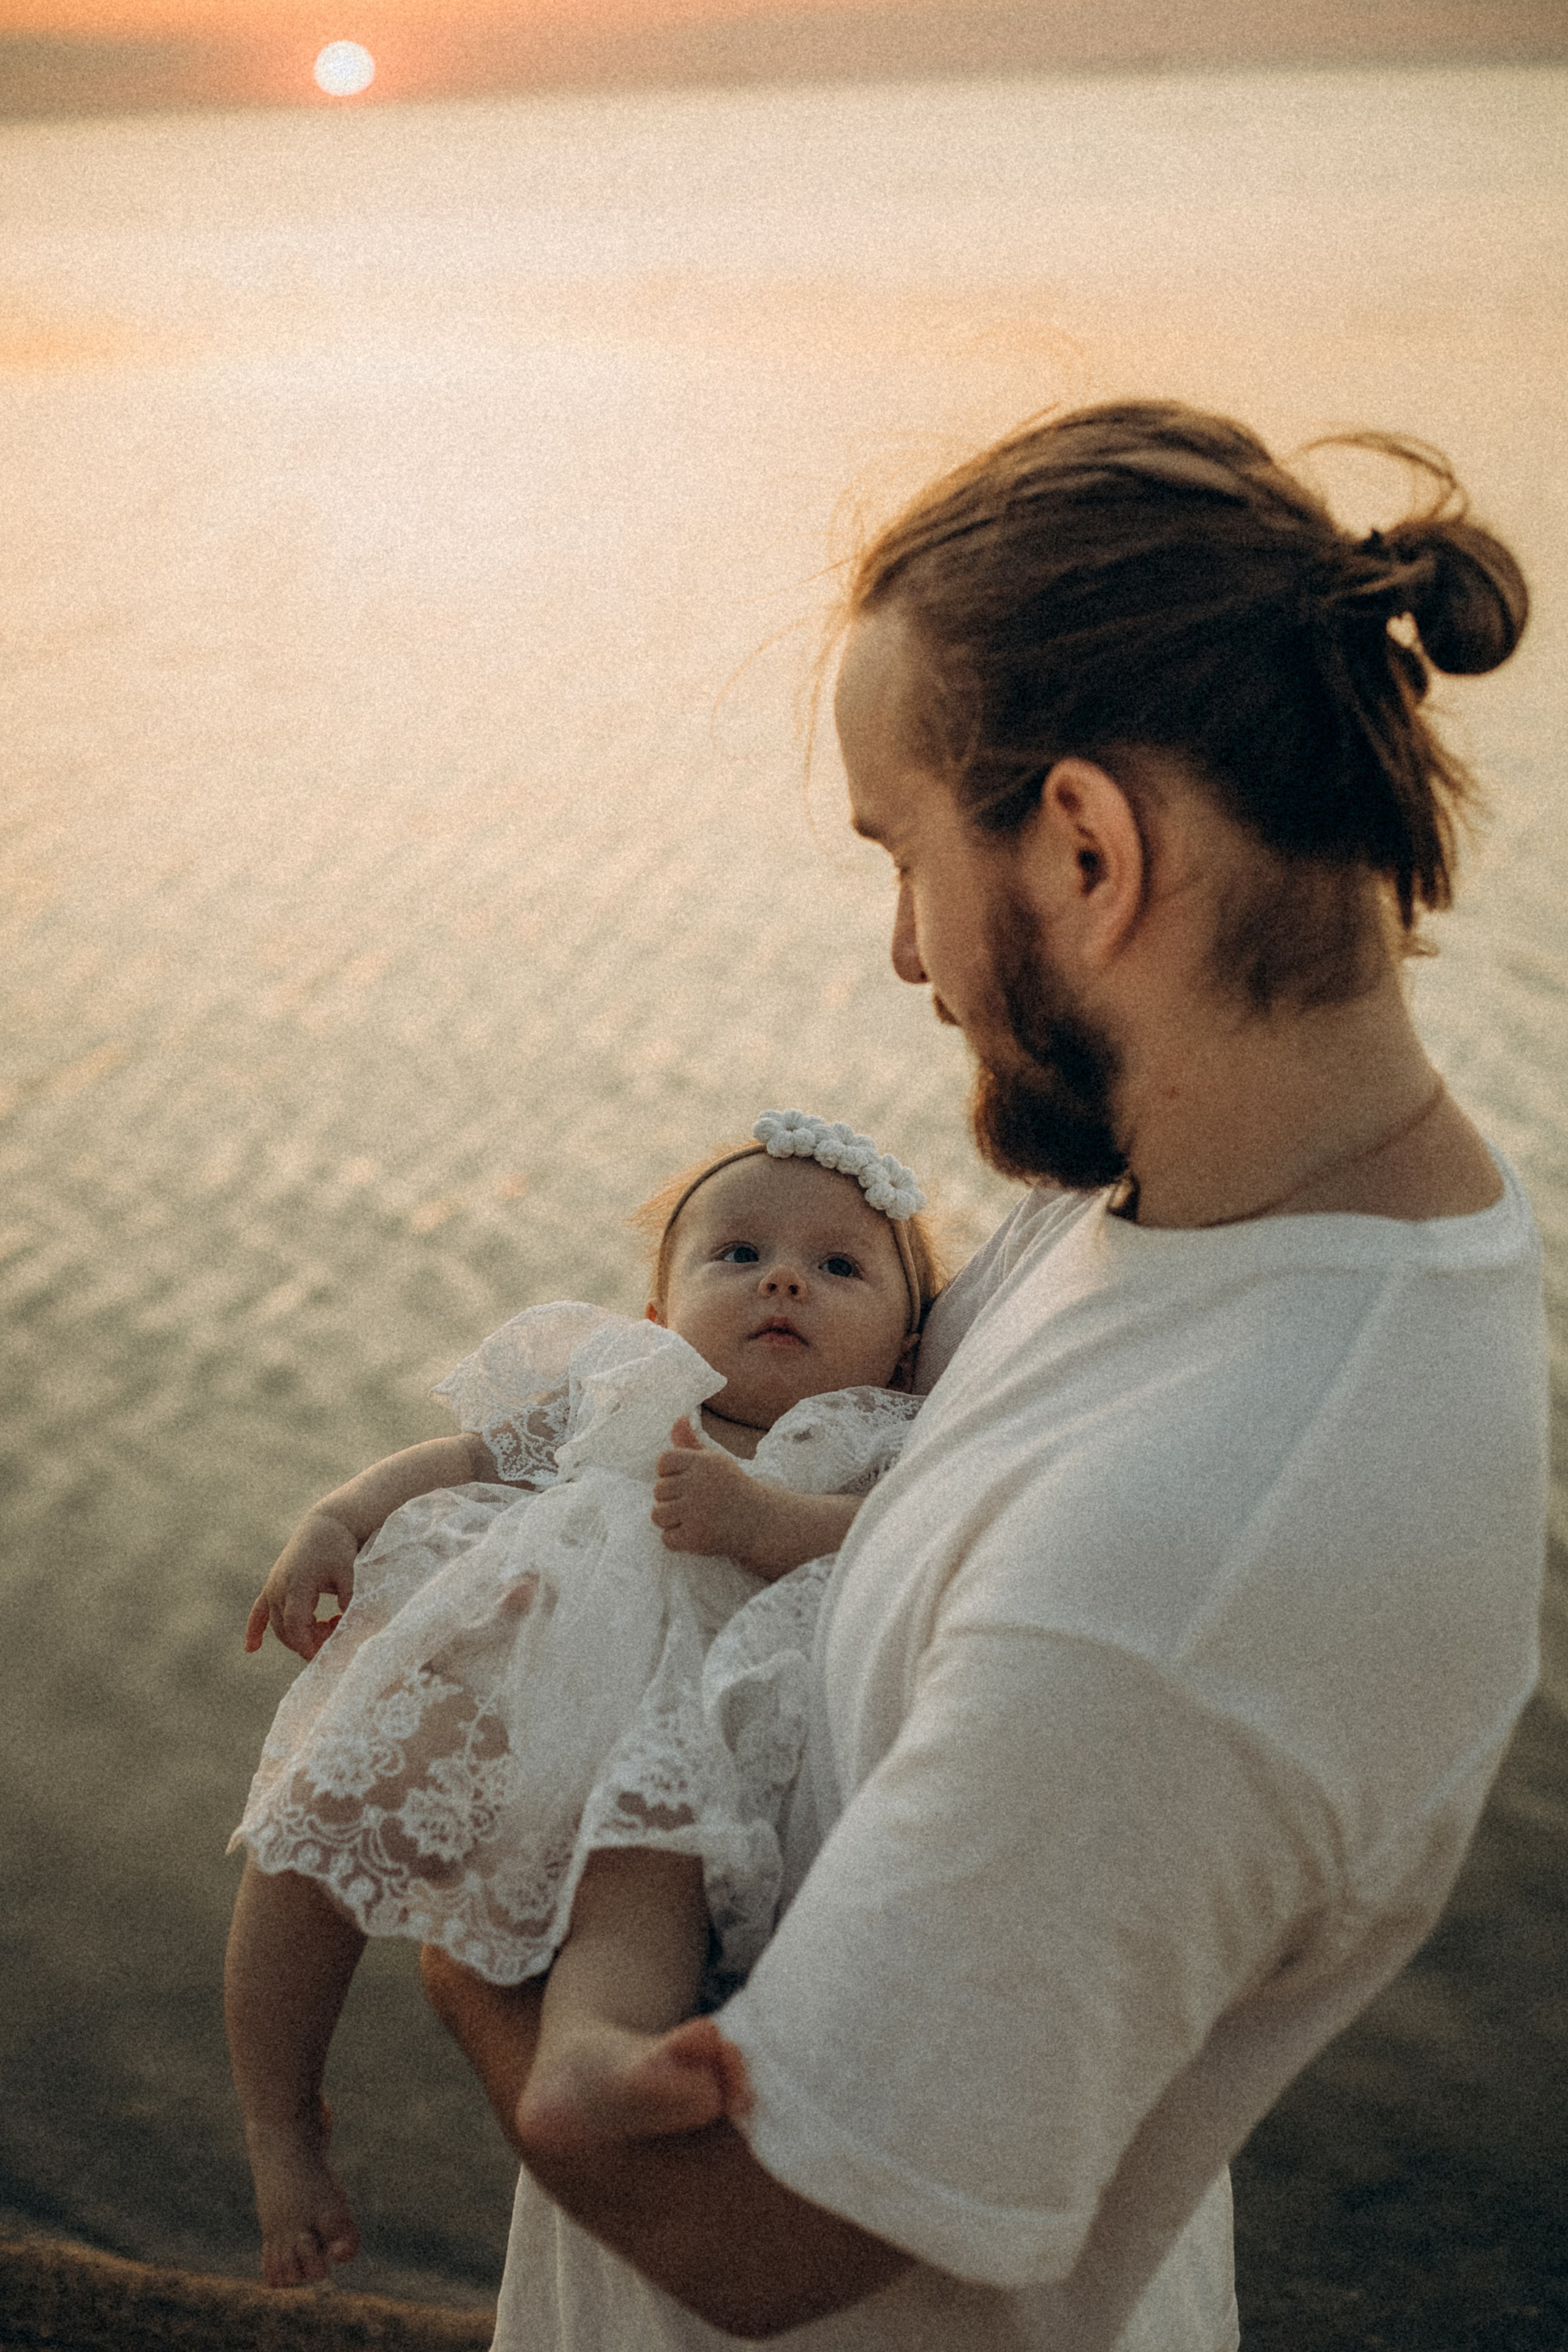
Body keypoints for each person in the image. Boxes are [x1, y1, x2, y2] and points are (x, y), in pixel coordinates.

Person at [421, 399, 1550, 2351]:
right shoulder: (1171, 1203)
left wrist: (463, 1897)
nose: (904, 955)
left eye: (905, 857)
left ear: (1090, 849)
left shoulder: (1192, 1563)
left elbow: (748, 2239)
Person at [225, 1109, 942, 2289]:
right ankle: (280, 2119)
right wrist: (338, 1519)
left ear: (906, 1354)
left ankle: (588, 2055)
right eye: (739, 1253)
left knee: (646, 1878)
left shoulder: (875, 1441)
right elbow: (468, 1459)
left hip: (677, 1729)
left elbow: (900, 1541)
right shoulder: (629, 1382)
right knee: (314, 1822)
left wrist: (770, 1519)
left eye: (839, 1267)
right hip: (511, 1683)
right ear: (658, 1314)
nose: (784, 1281)